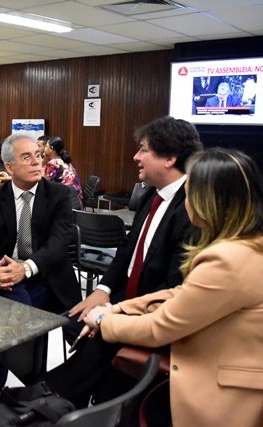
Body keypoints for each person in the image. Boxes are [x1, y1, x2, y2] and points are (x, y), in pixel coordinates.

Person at [84, 148, 263, 427]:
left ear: (209, 201)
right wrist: (119, 307)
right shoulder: (247, 244)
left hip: (220, 395)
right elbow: (182, 293)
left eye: (190, 194)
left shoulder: (228, 259)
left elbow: (159, 328)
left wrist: (103, 319)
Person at [39, 116, 203, 408]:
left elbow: (175, 286)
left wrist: (115, 313)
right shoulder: (153, 195)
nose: (135, 157)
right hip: (125, 296)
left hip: (156, 309)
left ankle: (52, 400)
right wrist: (102, 290)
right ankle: (65, 401)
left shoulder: (192, 208)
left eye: (143, 150)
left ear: (170, 158)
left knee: (96, 345)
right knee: (74, 322)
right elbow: (128, 250)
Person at [0, 134, 81, 421]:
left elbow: (58, 246)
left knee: (11, 317)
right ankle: (7, 391)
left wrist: (26, 268)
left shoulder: (58, 195)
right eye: (27, 157)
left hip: (49, 279)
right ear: (8, 167)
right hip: (6, 278)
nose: (37, 161)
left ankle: (45, 390)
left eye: (38, 154)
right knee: (10, 308)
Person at [42, 136, 83, 209]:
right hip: (76, 201)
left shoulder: (53, 163)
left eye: (46, 146)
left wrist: (44, 162)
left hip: (66, 202)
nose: (44, 148)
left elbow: (43, 183)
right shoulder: (64, 160)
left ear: (51, 149)